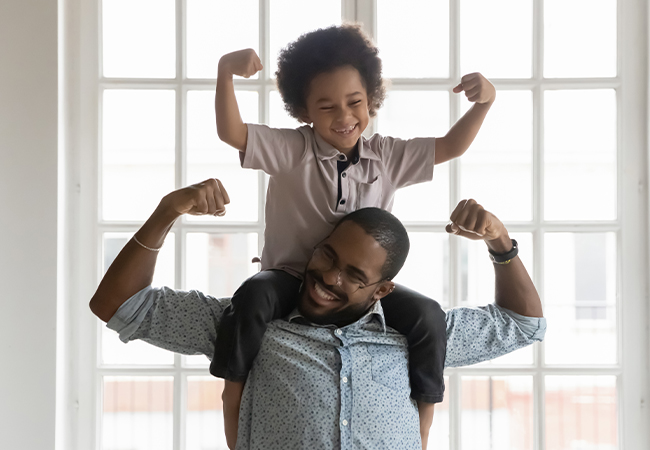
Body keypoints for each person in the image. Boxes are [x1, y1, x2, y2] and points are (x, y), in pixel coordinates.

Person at [89, 178, 546, 450]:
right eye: (326, 256)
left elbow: (523, 324)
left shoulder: (418, 333)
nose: (328, 277)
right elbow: (117, 305)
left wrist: (500, 244)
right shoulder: (251, 321)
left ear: (382, 290)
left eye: (353, 274)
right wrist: (167, 212)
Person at [213, 23, 497, 433]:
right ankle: (232, 397)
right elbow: (232, 133)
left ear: (372, 101)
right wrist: (225, 72)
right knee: (253, 296)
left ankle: (423, 427)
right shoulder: (292, 149)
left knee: (428, 316)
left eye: (355, 102)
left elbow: (450, 145)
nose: (344, 117)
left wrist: (484, 103)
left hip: (361, 290)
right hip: (292, 277)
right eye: (327, 107)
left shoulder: (388, 155)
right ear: (305, 110)